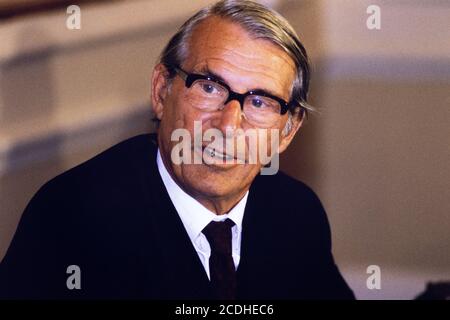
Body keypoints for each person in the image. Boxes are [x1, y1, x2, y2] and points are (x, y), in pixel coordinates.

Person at [0, 0, 354, 299]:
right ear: (161, 92)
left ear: (286, 132)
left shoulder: (297, 214)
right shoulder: (72, 218)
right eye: (210, 87)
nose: (228, 126)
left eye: (260, 102)